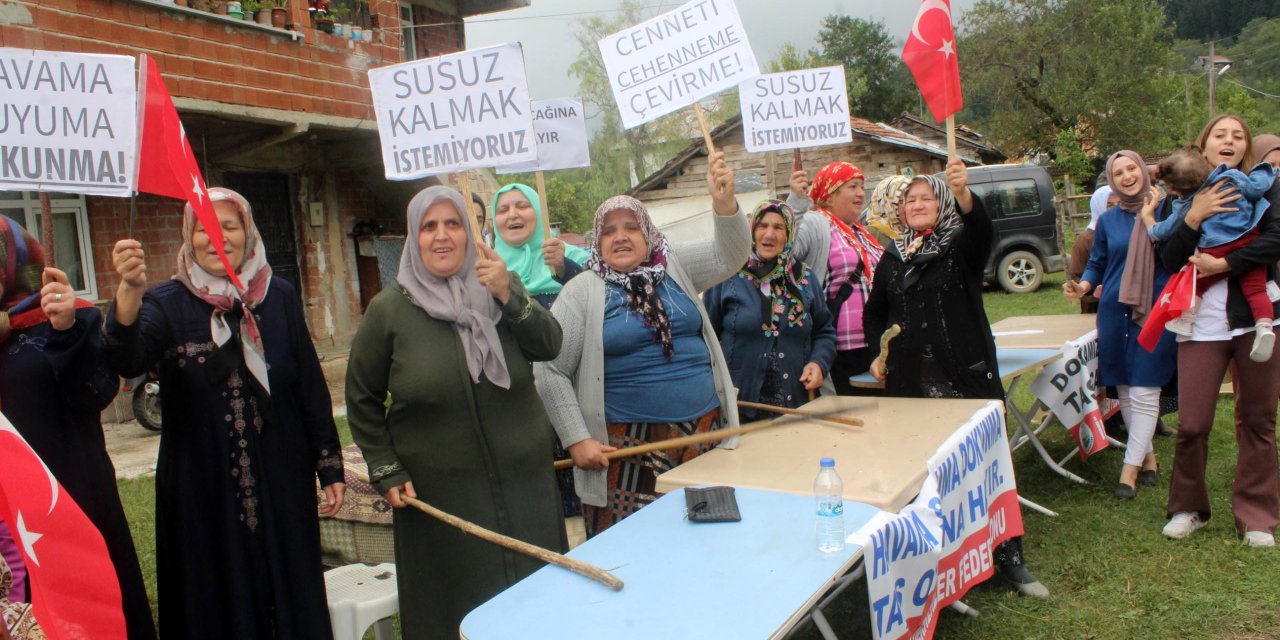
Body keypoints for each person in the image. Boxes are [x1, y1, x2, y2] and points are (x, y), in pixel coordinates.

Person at [103, 188, 344, 638]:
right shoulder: (165, 303)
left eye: (228, 226)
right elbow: (127, 358)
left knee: (289, 585)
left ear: (247, 231)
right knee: (214, 596)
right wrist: (128, 294)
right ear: (188, 237)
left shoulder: (280, 295)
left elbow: (308, 385)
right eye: (204, 228)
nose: (218, 239)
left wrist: (328, 464)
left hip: (281, 480)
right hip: (202, 489)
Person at [345, 186, 566, 639]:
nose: (441, 236)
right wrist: (386, 468)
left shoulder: (499, 285)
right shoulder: (388, 311)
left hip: (526, 484)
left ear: (470, 234)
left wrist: (509, 294)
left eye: (452, 224)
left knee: (538, 605)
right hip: (440, 496)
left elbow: (550, 344)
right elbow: (362, 398)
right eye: (429, 226)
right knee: (457, 612)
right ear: (413, 237)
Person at [535, 151, 750, 536]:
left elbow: (729, 255)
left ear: (648, 234)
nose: (620, 236)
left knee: (706, 541)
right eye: (609, 230)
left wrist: (724, 205)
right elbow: (549, 369)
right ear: (595, 241)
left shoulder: (674, 267)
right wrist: (576, 438)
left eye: (631, 227)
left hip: (703, 433)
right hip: (626, 449)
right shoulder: (581, 290)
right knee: (633, 549)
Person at [862, 161, 1047, 598]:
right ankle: (936, 560)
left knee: (986, 466)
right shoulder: (893, 257)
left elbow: (980, 226)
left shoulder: (962, 245)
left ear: (942, 203)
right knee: (921, 472)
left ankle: (1009, 557)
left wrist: (966, 196)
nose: (918, 204)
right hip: (910, 387)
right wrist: (877, 353)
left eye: (927, 197)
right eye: (910, 199)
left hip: (965, 377)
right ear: (900, 210)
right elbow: (874, 312)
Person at [0, 217, 155, 640]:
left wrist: (65, 330)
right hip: (6, 512)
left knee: (90, 610)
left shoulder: (65, 314)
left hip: (69, 496)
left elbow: (96, 394)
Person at [1156, 114, 1280, 546]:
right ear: (1203, 146)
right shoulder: (1182, 197)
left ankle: (1258, 517)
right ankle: (1189, 508)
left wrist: (1225, 264)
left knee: (1259, 421)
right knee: (1192, 423)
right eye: (1219, 135)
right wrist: (1194, 219)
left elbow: (1275, 240)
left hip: (1258, 319)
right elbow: (1169, 259)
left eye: (1237, 135)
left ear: (1245, 148)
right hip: (1200, 322)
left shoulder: (1263, 186)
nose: (1228, 141)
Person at [1063, 151, 1176, 499]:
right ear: (1111, 180)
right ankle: (1148, 457)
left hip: (1156, 311)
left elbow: (1176, 252)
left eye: (1131, 168)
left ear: (1143, 171)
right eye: (1118, 172)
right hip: (1113, 310)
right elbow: (1097, 263)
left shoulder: (1169, 210)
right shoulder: (1109, 220)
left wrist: (1148, 218)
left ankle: (1128, 468)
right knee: (1126, 388)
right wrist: (1083, 285)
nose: (1126, 176)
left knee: (1145, 388)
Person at [703, 199, 836, 419]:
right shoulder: (727, 276)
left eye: (778, 227)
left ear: (789, 234)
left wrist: (818, 363)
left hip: (797, 402)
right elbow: (707, 337)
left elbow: (824, 332)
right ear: (752, 231)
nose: (769, 234)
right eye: (763, 226)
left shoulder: (805, 278)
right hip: (741, 405)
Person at [1142, 146, 1276, 359]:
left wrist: (1149, 222)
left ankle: (1187, 318)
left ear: (1178, 189)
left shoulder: (1187, 202)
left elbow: (1165, 230)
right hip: (1247, 239)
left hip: (1215, 248)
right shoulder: (1232, 176)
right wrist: (1265, 170)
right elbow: (1255, 188)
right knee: (1257, 290)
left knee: (1197, 281)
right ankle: (1264, 326)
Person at [788, 162, 885, 395]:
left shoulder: (861, 232)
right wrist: (796, 203)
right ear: (830, 196)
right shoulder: (816, 222)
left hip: (872, 344)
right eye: (852, 186)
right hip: (841, 347)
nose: (861, 193)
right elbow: (787, 254)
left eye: (862, 187)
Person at [491, 183, 589, 309]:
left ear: (539, 211)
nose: (512, 215)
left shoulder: (579, 259)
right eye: (503, 210)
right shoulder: (486, 268)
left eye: (522, 206)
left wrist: (564, 268)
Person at [1068, 186, 1115, 314]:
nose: (1115, 209)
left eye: (1119, 204)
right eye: (1109, 205)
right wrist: (1092, 293)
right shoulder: (1085, 240)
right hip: (1097, 309)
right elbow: (1076, 277)